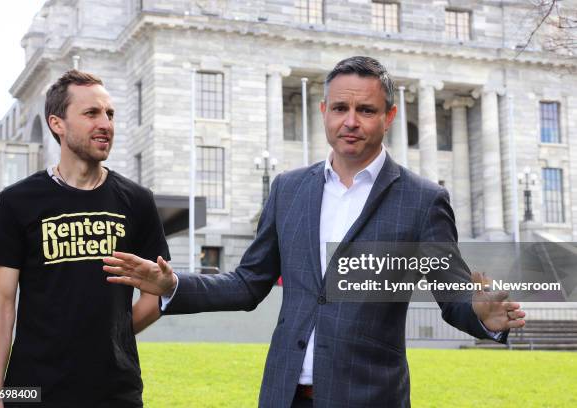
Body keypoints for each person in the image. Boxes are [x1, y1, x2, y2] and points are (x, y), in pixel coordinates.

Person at [103, 56, 526, 408]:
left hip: (369, 397)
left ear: (389, 116)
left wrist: (481, 315)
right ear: (324, 111)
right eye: (340, 108)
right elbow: (248, 283)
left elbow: (451, 292)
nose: (351, 121)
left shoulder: (422, 199)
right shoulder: (288, 188)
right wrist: (173, 284)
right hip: (284, 394)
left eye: (367, 110)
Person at [0, 70, 169, 408]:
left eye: (109, 114)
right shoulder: (18, 201)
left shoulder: (138, 201)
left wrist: (109, 337)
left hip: (115, 393)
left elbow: (155, 295)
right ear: (57, 124)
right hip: (32, 392)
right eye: (91, 113)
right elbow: (1, 302)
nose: (106, 123)